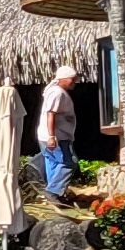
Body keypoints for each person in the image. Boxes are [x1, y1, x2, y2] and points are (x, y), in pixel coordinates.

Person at [35, 63, 81, 201]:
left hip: (50, 136)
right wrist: (52, 136)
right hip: (57, 137)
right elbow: (51, 114)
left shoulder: (55, 91)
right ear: (63, 78)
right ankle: (53, 192)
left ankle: (54, 194)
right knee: (69, 163)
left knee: (53, 164)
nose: (74, 82)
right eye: (71, 79)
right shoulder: (57, 93)